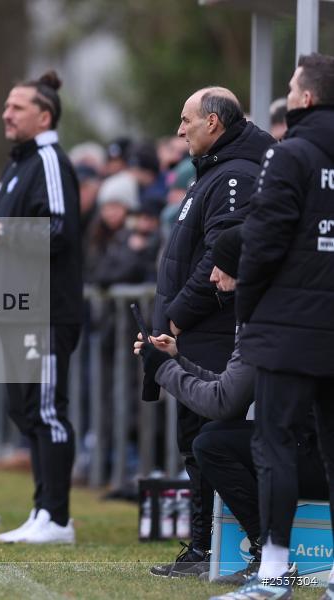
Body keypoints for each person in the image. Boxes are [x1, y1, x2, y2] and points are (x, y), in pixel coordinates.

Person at [135, 226, 328, 587]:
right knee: (219, 437)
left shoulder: (267, 316)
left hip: (317, 454)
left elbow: (223, 402)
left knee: (213, 442)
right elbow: (228, 388)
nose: (211, 275)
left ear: (245, 266)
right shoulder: (274, 304)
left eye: (219, 265)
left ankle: (268, 553)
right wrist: (176, 359)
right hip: (309, 443)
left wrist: (164, 371)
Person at [151, 87, 275, 578]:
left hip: (211, 334)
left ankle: (215, 547)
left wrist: (176, 317)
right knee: (194, 440)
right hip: (197, 334)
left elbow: (220, 259)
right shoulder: (214, 170)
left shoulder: (235, 176)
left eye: (186, 121)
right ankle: (202, 543)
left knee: (207, 438)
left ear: (214, 124)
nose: (179, 131)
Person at [223, 53, 334, 600]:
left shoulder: (289, 154)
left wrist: (248, 304)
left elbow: (263, 240)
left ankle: (272, 573)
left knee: (274, 445)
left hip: (289, 327)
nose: (289, 94)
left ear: (306, 98)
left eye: (292, 87)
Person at [0, 70, 83, 544]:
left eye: (16, 107)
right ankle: (41, 511)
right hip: (16, 309)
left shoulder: (50, 160)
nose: (5, 114)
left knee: (47, 410)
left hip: (45, 311)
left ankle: (57, 518)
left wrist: (0, 232)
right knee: (25, 410)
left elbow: (58, 232)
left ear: (44, 114)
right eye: (6, 106)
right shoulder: (18, 165)